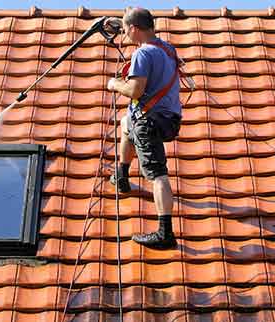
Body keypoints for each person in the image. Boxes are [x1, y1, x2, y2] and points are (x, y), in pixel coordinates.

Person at [106, 8, 182, 249]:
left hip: (150, 122)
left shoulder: (142, 54)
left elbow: (135, 91)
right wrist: (120, 21)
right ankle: (122, 175)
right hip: (170, 119)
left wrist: (114, 84)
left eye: (126, 30)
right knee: (127, 122)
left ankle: (165, 233)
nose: (125, 34)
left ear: (135, 29)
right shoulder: (168, 49)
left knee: (157, 174)